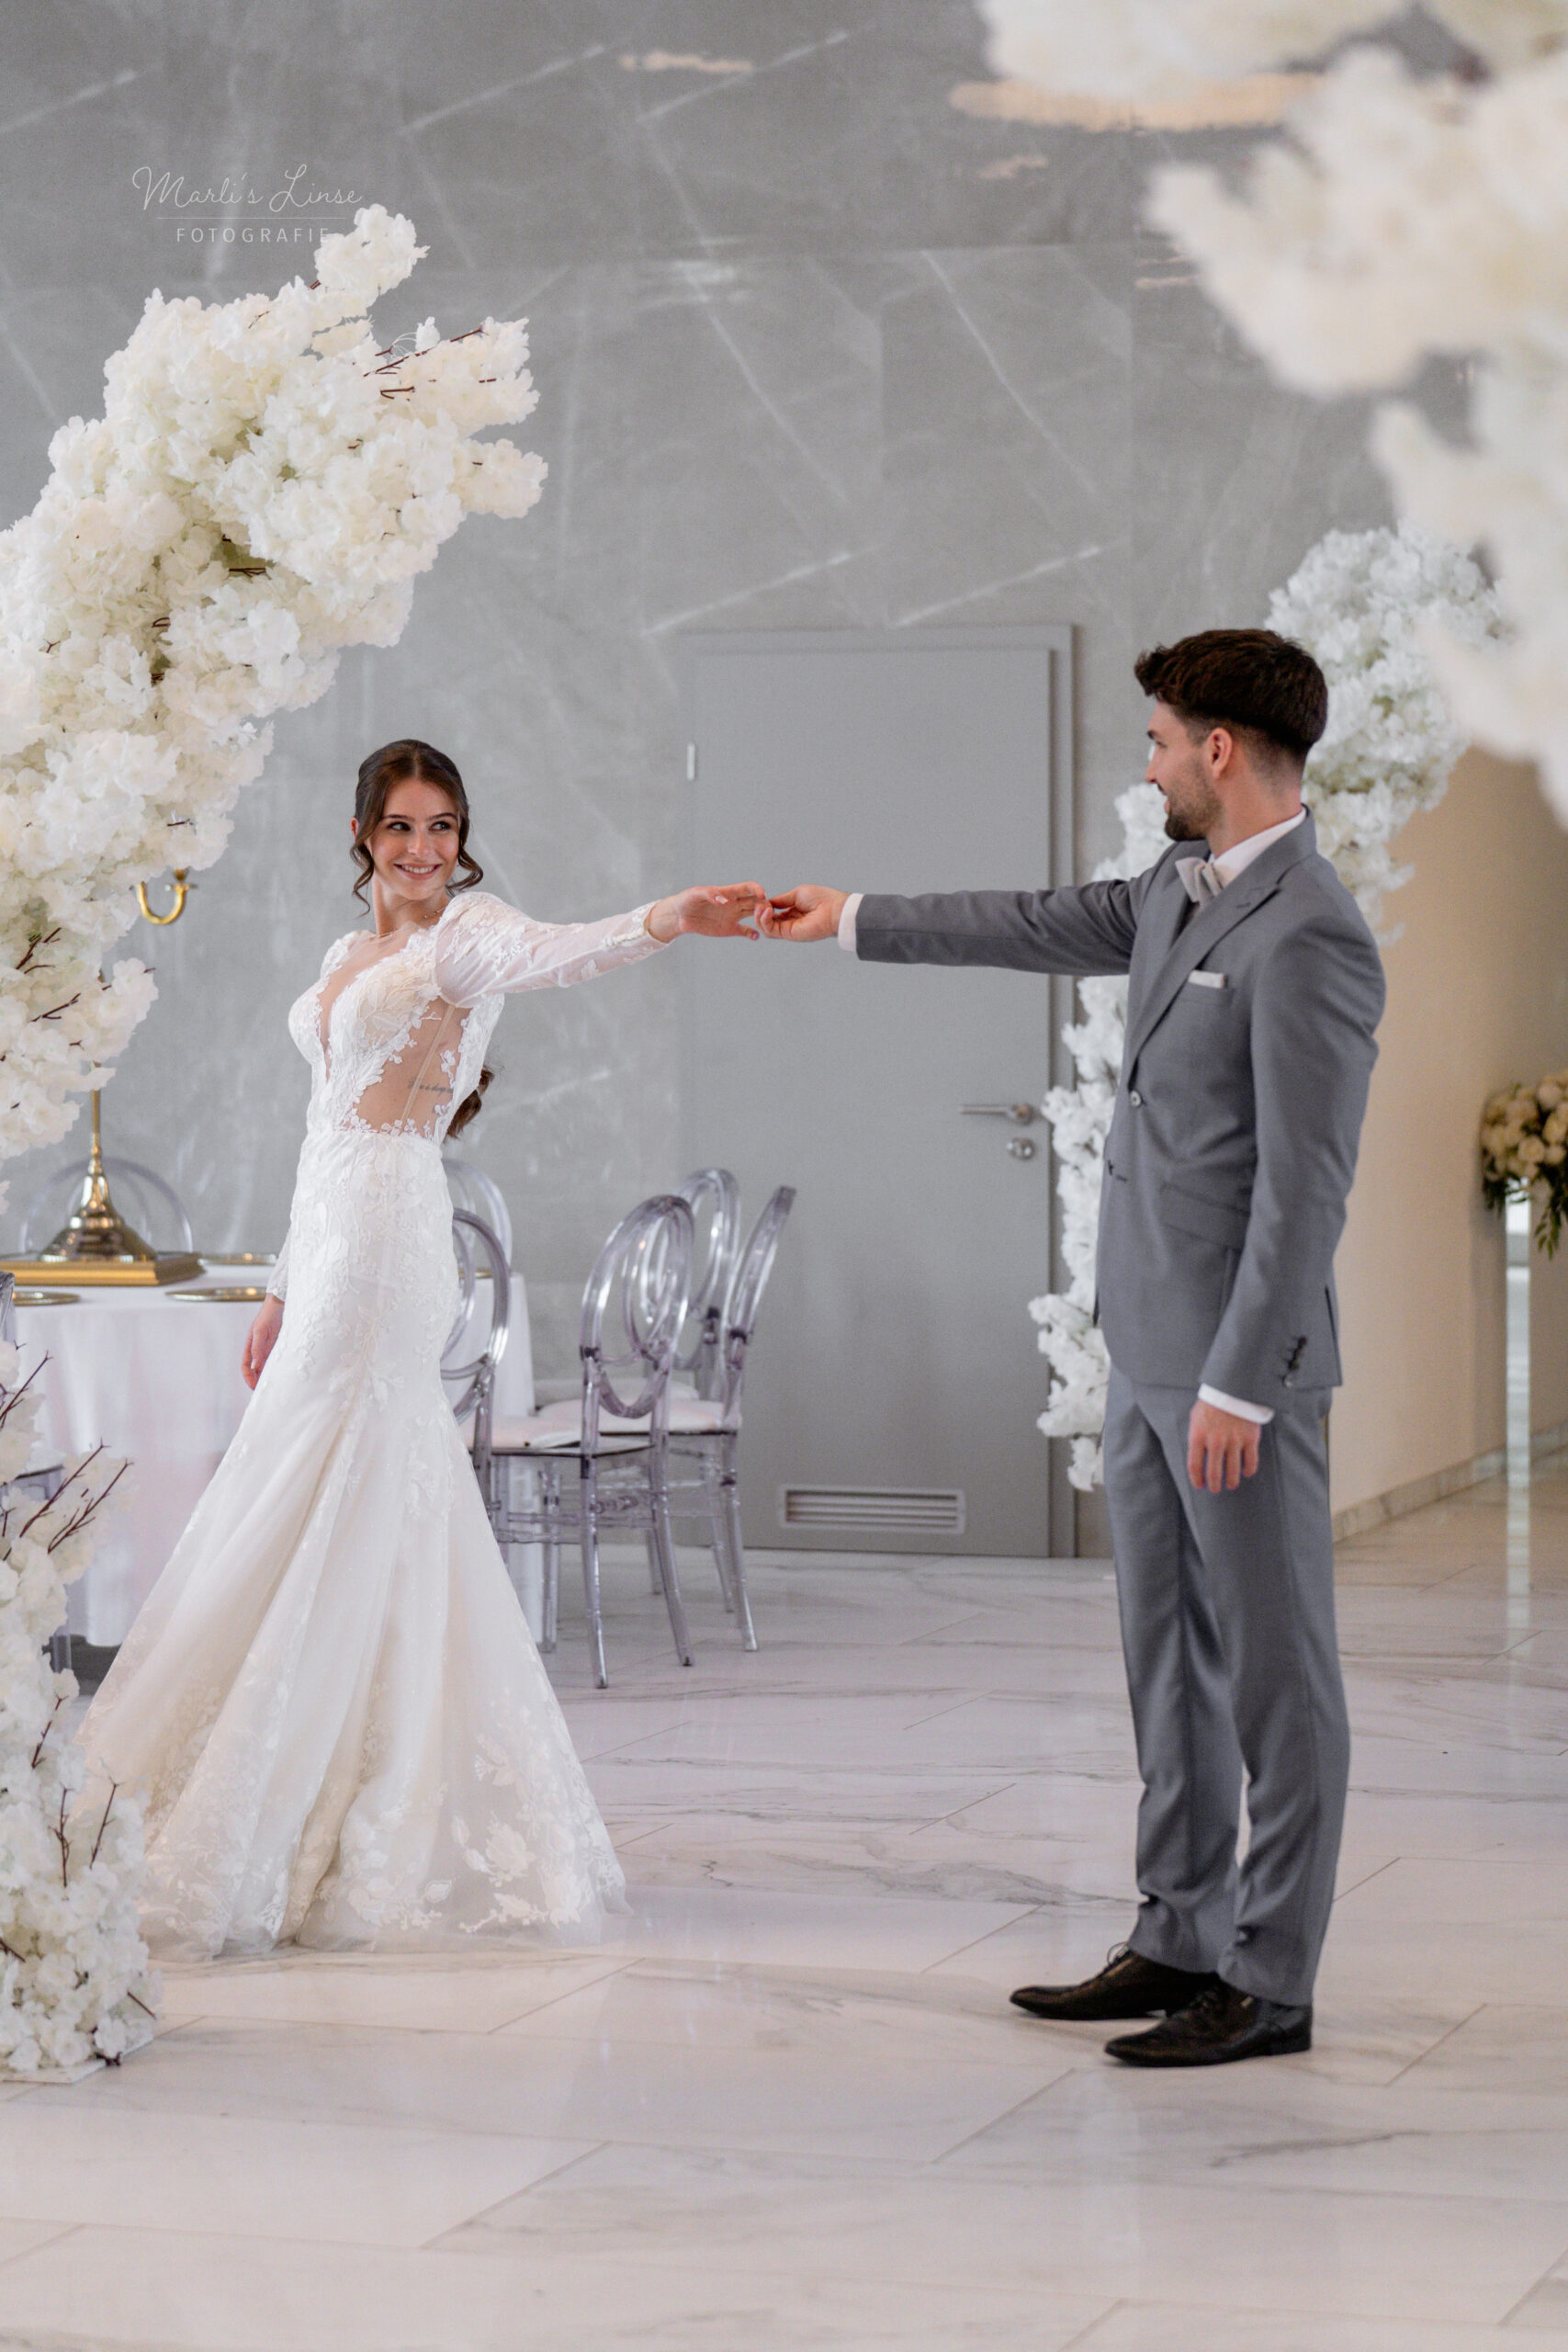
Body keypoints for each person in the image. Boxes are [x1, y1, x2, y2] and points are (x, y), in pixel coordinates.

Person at [760, 630, 1384, 2067]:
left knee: (1279, 1681)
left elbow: (1306, 1190)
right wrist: (849, 917)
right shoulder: (1174, 891)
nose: (1149, 765)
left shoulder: (1313, 931)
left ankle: (1271, 1980)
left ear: (1219, 750)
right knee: (1169, 1659)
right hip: (1142, 1353)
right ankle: (1180, 1932)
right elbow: (1034, 921)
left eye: (1161, 741)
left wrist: (1243, 1382)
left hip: (1233, 1380)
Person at [76, 737, 763, 1960]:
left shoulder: (469, 936)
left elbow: (566, 950)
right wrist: (281, 1286)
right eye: (400, 826)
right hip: (335, 1230)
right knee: (318, 1475)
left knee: (339, 1469)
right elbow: (317, 1127)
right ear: (362, 835)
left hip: (392, 1233)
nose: (423, 849)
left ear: (461, 839)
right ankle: (314, 1753)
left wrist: (671, 916)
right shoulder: (345, 956)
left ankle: (325, 1788)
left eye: (442, 827)